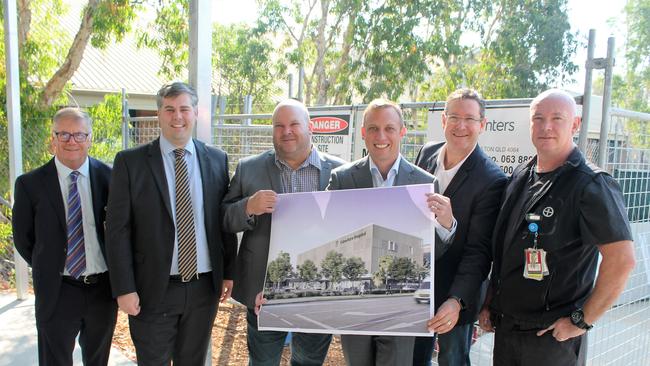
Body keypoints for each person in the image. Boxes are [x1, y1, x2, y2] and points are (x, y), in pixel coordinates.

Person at [480, 89, 636, 365]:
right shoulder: (521, 175)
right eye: (538, 118)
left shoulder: (591, 184)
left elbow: (622, 260)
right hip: (507, 330)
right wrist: (490, 301)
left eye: (557, 118)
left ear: (574, 125)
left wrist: (581, 321)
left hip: (551, 338)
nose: (546, 126)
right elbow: (505, 249)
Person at [105, 82, 237, 365]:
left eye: (184, 109)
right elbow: (117, 230)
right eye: (169, 109)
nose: (177, 116)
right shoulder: (131, 162)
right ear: (159, 114)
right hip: (153, 289)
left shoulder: (216, 159)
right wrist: (123, 288)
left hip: (203, 289)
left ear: (196, 113)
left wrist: (228, 272)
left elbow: (222, 220)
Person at [328, 99, 452, 366]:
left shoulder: (424, 182)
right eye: (373, 128)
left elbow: (433, 253)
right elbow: (327, 237)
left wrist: (445, 225)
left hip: (401, 304)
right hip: (355, 301)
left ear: (402, 131)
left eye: (389, 128)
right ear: (362, 132)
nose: (380, 136)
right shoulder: (342, 179)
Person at [222, 99, 345, 366]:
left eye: (293, 124)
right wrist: (248, 207)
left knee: (308, 362)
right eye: (279, 125)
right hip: (263, 292)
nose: (286, 131)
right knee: (262, 362)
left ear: (310, 127)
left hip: (318, 292)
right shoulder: (249, 168)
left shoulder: (340, 171)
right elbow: (224, 219)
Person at [12, 108, 116, 365]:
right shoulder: (30, 184)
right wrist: (49, 264)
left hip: (102, 290)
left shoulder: (110, 178)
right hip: (58, 290)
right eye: (65, 134)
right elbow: (24, 239)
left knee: (98, 360)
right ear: (53, 138)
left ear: (90, 138)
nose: (72, 141)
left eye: (79, 135)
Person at [412, 89, 507, 366]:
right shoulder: (426, 153)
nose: (461, 126)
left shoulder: (492, 179)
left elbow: (478, 251)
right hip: (417, 288)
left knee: (453, 360)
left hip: (457, 290)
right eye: (454, 117)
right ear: (443, 120)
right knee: (415, 358)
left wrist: (456, 300)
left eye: (469, 118)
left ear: (482, 125)